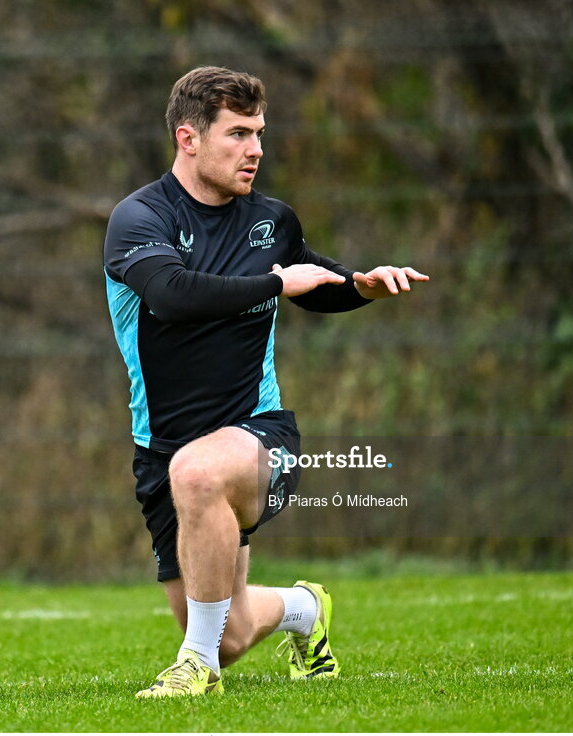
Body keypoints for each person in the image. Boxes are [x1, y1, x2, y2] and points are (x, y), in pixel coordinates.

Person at [103, 65, 429, 698]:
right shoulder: (139, 219)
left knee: (200, 474)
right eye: (237, 134)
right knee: (232, 631)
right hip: (161, 450)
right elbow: (171, 295)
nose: (255, 150)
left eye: (259, 133)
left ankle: (192, 669)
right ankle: (306, 610)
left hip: (260, 437)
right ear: (188, 138)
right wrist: (280, 283)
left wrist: (361, 284)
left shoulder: (271, 220)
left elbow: (323, 284)